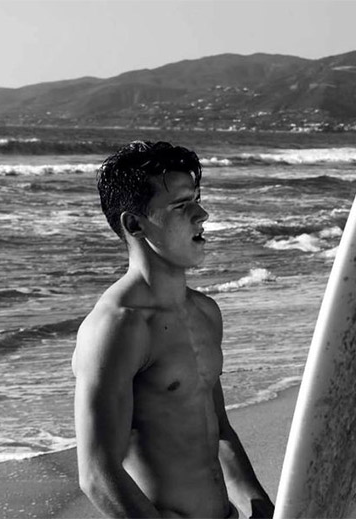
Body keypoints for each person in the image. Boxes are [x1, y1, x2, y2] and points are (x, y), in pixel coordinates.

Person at [73, 141, 275, 518]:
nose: (202, 213)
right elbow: (98, 473)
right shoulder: (118, 327)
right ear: (135, 224)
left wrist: (261, 508)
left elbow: (220, 433)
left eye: (196, 199)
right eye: (182, 206)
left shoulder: (205, 312)